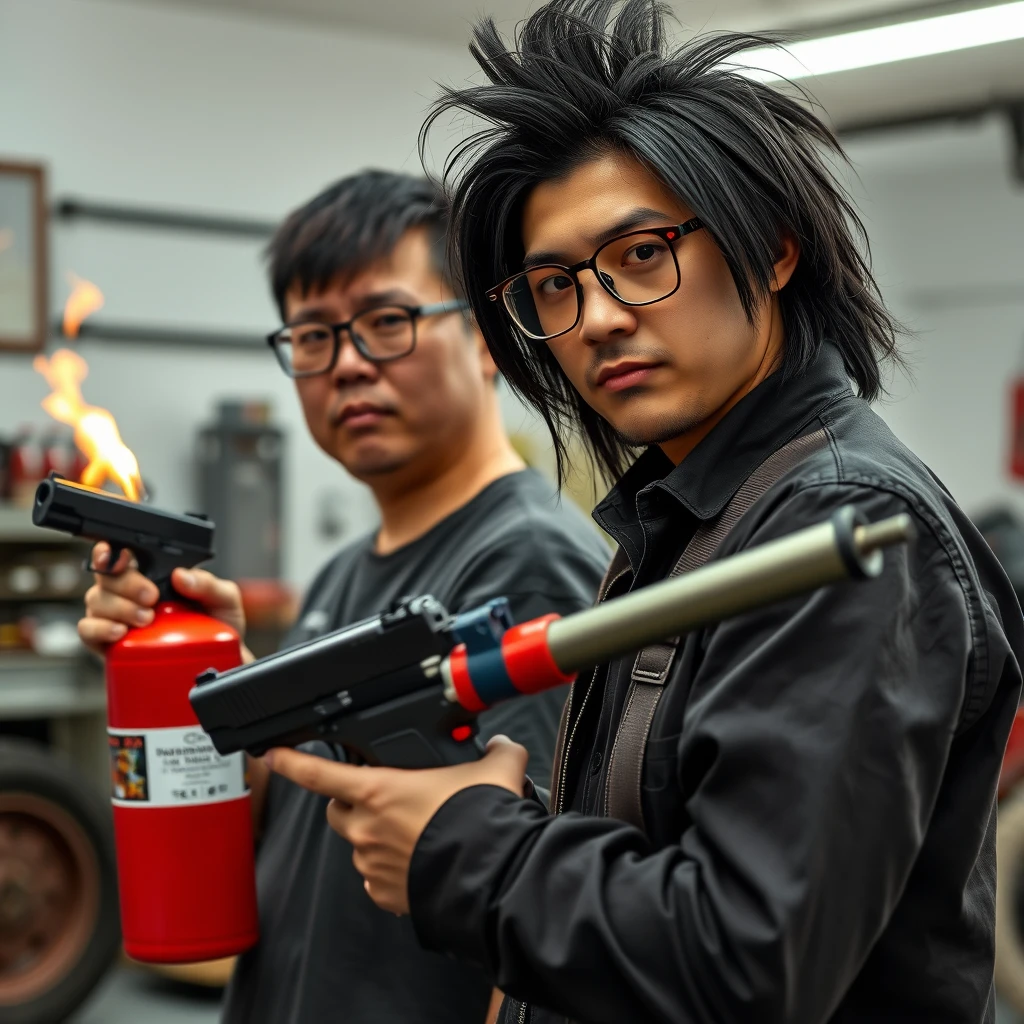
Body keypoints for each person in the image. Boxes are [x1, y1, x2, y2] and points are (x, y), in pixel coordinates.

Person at [261, 4, 1024, 1023]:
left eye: (640, 254)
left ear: (775, 246)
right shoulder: (693, 516)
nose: (601, 317)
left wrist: (466, 848)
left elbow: (751, 961)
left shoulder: (838, 520)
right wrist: (491, 818)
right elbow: (664, 850)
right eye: (554, 285)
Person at [76, 169, 610, 1024]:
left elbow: (538, 906)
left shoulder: (525, 565)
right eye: (314, 336)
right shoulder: (347, 572)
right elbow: (283, 821)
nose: (349, 364)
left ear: (483, 338)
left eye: (387, 323)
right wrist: (219, 682)